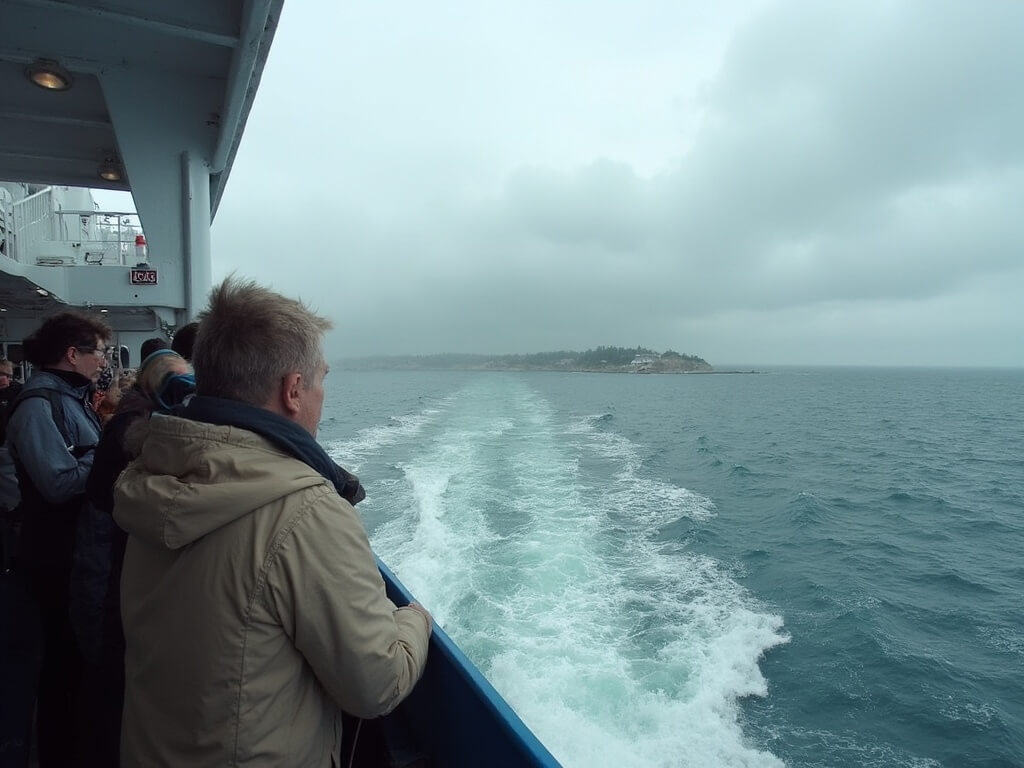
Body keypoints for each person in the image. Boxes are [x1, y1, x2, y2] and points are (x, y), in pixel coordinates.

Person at [114, 277, 432, 767]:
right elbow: (377, 684)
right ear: (293, 390)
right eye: (321, 380)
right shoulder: (304, 512)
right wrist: (414, 621)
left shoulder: (153, 470)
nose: (323, 396)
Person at [77, 349, 195, 766]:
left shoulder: (129, 416)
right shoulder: (139, 426)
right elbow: (103, 494)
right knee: (120, 661)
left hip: (121, 561)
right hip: (123, 558)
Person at [5, 311, 109, 768]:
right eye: (99, 351)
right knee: (61, 668)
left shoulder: (70, 397)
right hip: (53, 558)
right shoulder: (38, 406)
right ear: (74, 355)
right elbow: (57, 483)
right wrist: (106, 461)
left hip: (75, 554)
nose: (104, 360)